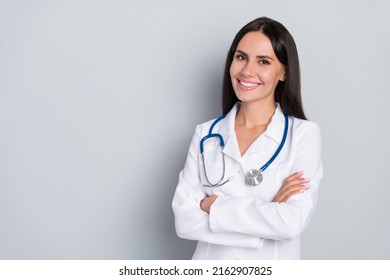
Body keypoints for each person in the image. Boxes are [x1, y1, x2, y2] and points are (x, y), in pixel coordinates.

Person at [172, 16, 323, 260]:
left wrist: (214, 206)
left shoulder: (304, 135)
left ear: (284, 72)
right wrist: (267, 218)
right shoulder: (206, 135)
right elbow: (185, 221)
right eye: (241, 57)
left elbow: (292, 222)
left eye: (263, 61)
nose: (247, 71)